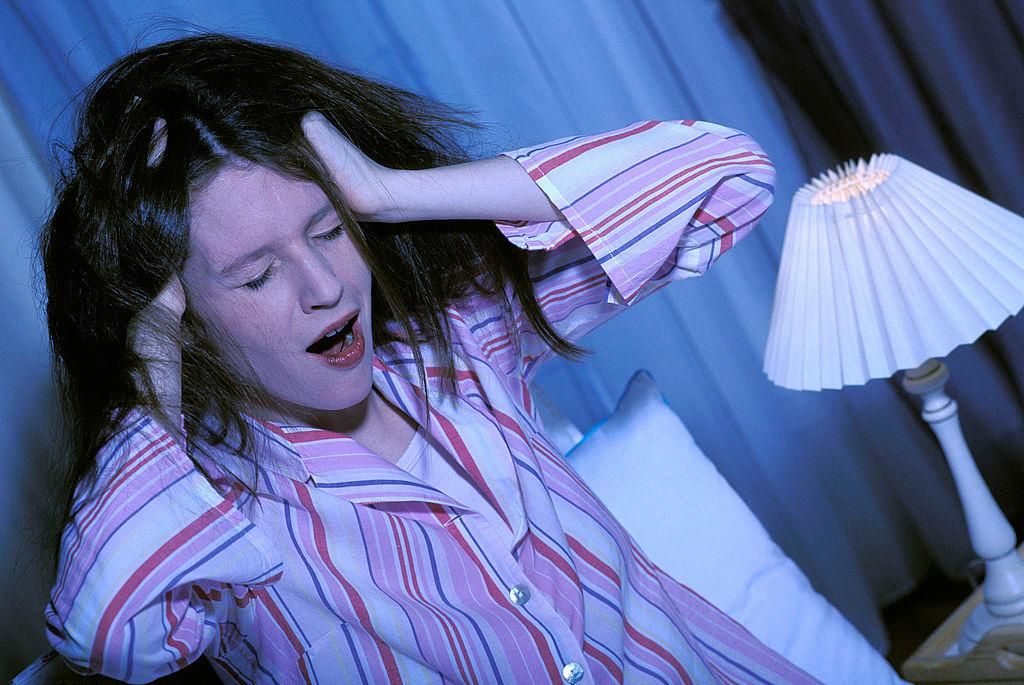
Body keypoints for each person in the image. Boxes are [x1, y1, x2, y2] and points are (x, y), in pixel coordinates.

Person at [39, 33, 816, 684]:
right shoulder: (217, 523)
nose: (325, 286)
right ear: (187, 322)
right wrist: (149, 356)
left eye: (329, 229)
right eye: (258, 274)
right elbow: (105, 631)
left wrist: (393, 194)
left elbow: (726, 175)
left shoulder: (462, 342)